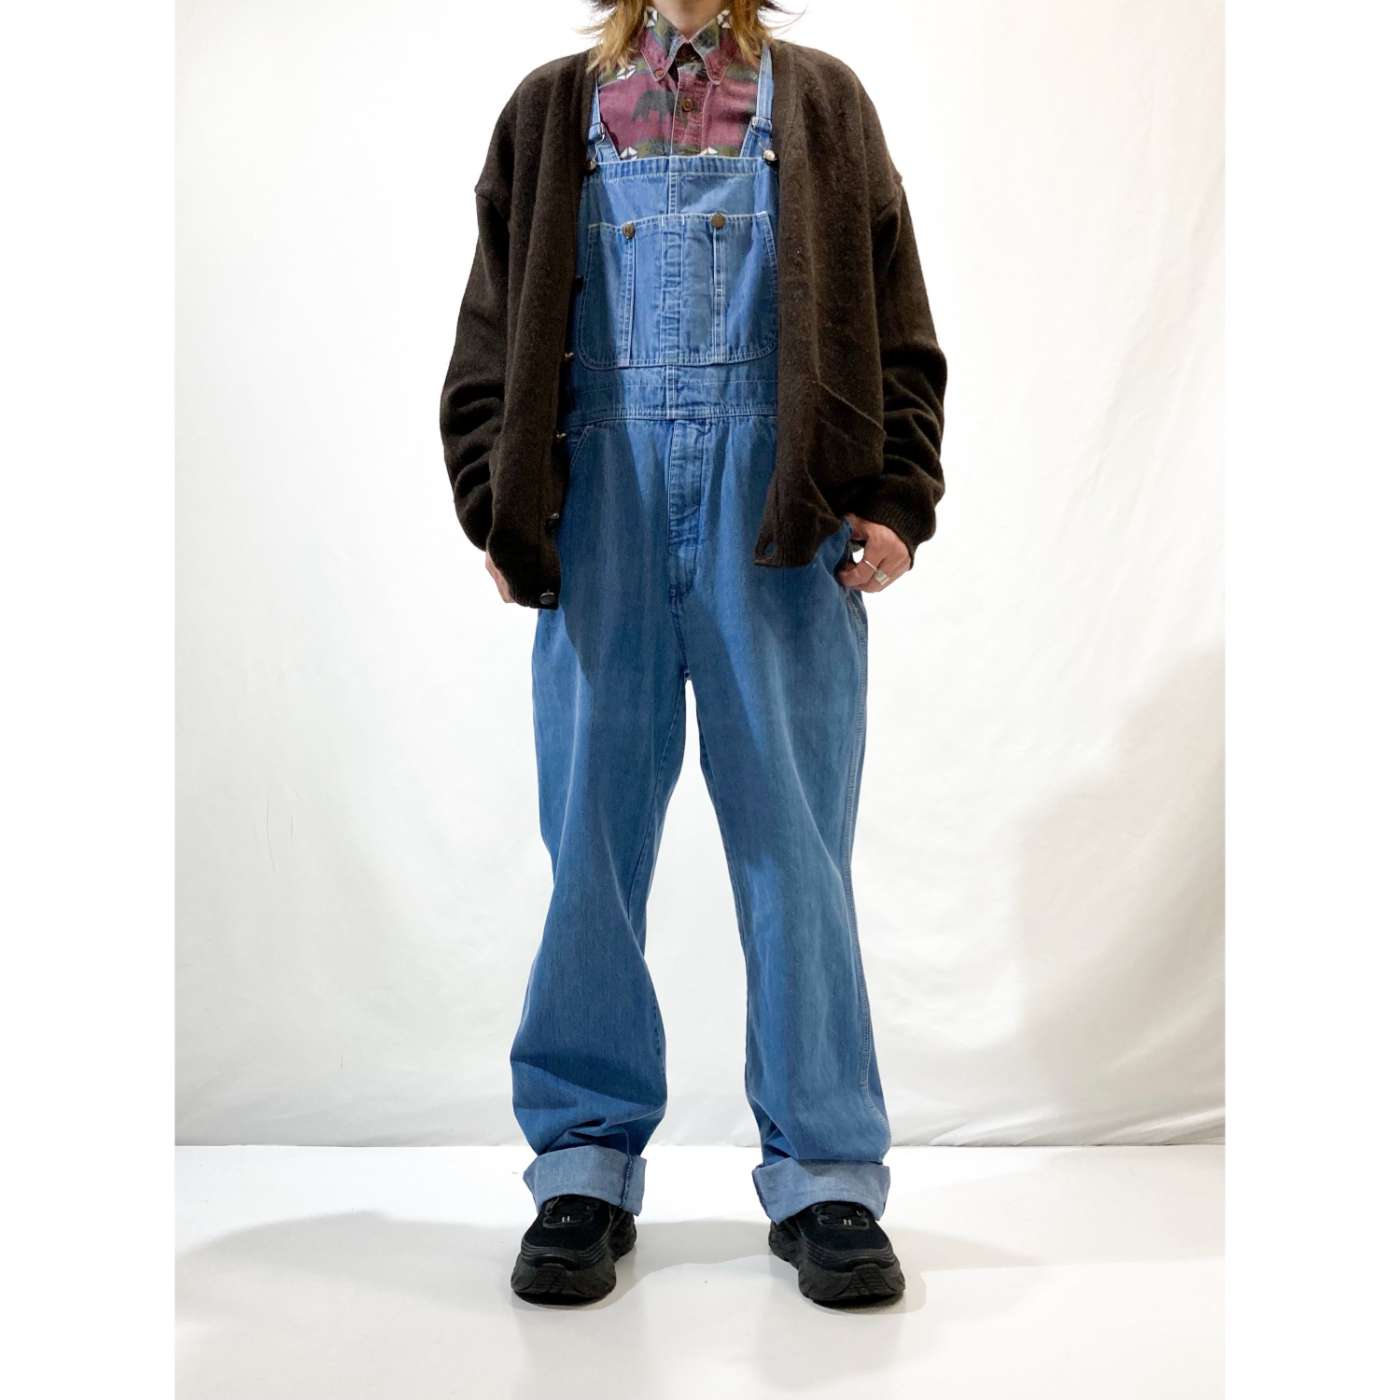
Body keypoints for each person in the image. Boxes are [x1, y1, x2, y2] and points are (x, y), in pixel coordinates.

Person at [440, 0, 947, 1308]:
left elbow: (897, 322)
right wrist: (498, 502)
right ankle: (583, 1167)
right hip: (594, 509)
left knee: (795, 845)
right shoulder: (550, 110)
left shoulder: (821, 102)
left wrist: (898, 497)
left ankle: (826, 1175)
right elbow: (492, 331)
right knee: (591, 848)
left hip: (779, 511)